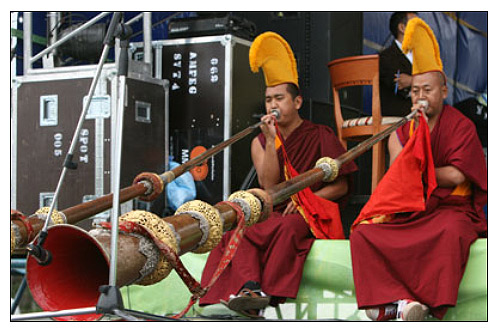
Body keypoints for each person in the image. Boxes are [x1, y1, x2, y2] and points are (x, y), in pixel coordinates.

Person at [198, 32, 357, 318]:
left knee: (286, 229)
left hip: (310, 213)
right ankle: (250, 289)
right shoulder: (260, 142)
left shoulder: (319, 134)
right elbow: (268, 187)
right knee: (240, 226)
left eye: (280, 98)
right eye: (269, 99)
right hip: (274, 209)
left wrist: (309, 200)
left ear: (296, 102)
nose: (273, 105)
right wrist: (272, 141)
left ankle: (265, 298)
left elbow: (341, 185)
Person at [350, 17, 487, 321]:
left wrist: (423, 168)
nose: (421, 97)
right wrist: (418, 135)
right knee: (362, 232)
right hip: (413, 208)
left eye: (428, 90)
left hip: (450, 211)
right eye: (414, 91)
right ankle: (393, 303)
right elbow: (401, 172)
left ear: (445, 92)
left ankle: (421, 306)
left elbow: (457, 176)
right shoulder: (404, 129)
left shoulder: (461, 126)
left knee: (451, 233)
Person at [379, 12, 418, 116]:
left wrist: (412, 81)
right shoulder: (386, 57)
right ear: (402, 27)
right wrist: (426, 83)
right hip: (400, 121)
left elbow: (438, 85)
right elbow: (401, 87)